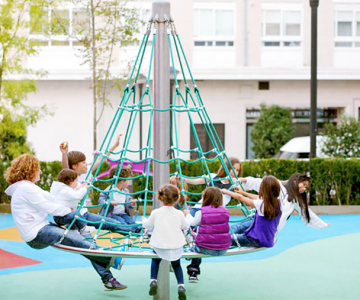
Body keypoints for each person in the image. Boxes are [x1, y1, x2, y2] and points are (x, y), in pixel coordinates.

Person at [4, 154, 126, 291]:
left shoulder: (27, 187)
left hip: (41, 228)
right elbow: (49, 207)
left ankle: (107, 278)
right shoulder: (25, 188)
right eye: (38, 169)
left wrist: (71, 197)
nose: (40, 171)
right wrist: (68, 209)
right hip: (37, 233)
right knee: (78, 241)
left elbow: (50, 198)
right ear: (30, 170)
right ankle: (112, 259)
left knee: (81, 242)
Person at [175, 157, 242, 283]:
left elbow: (242, 192)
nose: (234, 172)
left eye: (237, 170)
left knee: (202, 237)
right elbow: (197, 181)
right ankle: (174, 256)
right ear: (226, 167)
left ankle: (193, 269)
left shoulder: (235, 185)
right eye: (232, 168)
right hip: (198, 209)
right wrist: (184, 179)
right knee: (185, 229)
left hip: (212, 216)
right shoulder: (213, 177)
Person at [59, 138, 132, 234]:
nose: (86, 164)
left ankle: (137, 231)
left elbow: (101, 159)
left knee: (112, 223)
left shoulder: (85, 173)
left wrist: (114, 146)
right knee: (83, 239)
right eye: (83, 162)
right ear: (75, 166)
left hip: (85, 214)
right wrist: (64, 154)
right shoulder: (69, 178)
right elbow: (65, 169)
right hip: (75, 218)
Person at [230, 173, 330, 240]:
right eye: (303, 184)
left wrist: (322, 224)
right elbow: (259, 182)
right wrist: (242, 179)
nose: (303, 188)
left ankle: (219, 237)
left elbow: (307, 212)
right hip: (261, 219)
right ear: (295, 180)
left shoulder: (295, 200)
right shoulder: (279, 187)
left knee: (240, 231)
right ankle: (217, 236)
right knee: (238, 228)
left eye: (305, 187)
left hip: (267, 226)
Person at [141, 184, 188, 300]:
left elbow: (148, 225)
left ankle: (153, 280)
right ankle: (181, 285)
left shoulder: (156, 212)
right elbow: (185, 225)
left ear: (161, 198)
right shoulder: (179, 213)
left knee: (155, 260)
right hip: (176, 245)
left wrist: (143, 220)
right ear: (176, 199)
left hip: (159, 245)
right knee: (176, 265)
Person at [222, 175, 282, 248]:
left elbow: (240, 198)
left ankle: (214, 238)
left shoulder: (261, 204)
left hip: (254, 240)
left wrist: (226, 191)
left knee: (225, 239)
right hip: (267, 240)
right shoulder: (278, 203)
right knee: (240, 226)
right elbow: (258, 197)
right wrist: (243, 192)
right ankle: (223, 233)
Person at [184, 187, 231, 275]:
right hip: (224, 248)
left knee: (193, 244)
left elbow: (193, 223)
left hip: (206, 249)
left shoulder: (202, 211)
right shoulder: (225, 211)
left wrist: (187, 214)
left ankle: (189, 252)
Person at [50, 169, 95, 235]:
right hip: (61, 217)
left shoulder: (62, 188)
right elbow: (77, 195)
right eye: (76, 181)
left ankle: (75, 230)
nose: (77, 182)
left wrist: (80, 188)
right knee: (76, 214)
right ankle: (83, 228)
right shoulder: (64, 190)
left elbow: (72, 193)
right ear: (70, 183)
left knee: (74, 215)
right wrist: (84, 188)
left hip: (61, 215)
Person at [98, 165, 142, 233]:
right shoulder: (109, 190)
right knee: (122, 224)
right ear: (122, 180)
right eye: (128, 180)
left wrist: (132, 203)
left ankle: (139, 230)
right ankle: (132, 232)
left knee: (131, 222)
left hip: (123, 214)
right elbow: (101, 201)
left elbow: (128, 202)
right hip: (112, 215)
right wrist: (110, 202)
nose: (129, 182)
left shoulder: (125, 191)